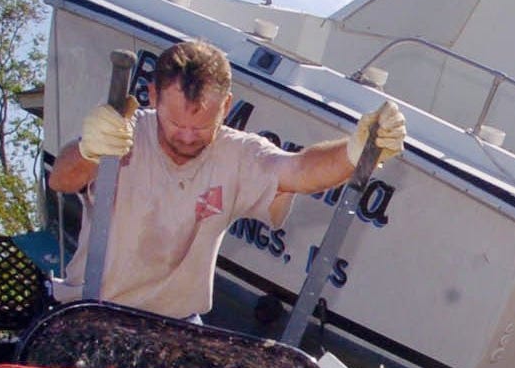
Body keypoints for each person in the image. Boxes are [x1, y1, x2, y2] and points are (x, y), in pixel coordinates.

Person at [48, 38, 406, 320]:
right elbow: (62, 179)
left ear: (226, 105)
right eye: (176, 124)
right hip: (88, 310)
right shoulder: (120, 134)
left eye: (202, 126)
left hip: (176, 327)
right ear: (153, 96)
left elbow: (299, 171)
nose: (187, 137)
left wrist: (354, 152)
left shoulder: (239, 154)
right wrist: (88, 150)